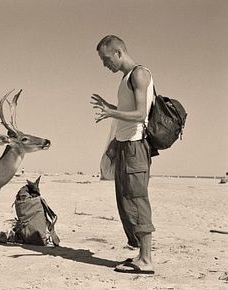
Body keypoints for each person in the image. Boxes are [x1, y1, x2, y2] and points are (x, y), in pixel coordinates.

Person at [91, 35, 155, 274]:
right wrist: (111, 107)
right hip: (125, 145)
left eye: (106, 58)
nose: (105, 64)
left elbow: (140, 114)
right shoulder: (126, 79)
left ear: (118, 52)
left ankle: (147, 260)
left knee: (137, 199)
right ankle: (141, 255)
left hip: (136, 146)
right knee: (126, 199)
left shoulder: (139, 74)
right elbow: (131, 111)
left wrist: (111, 113)